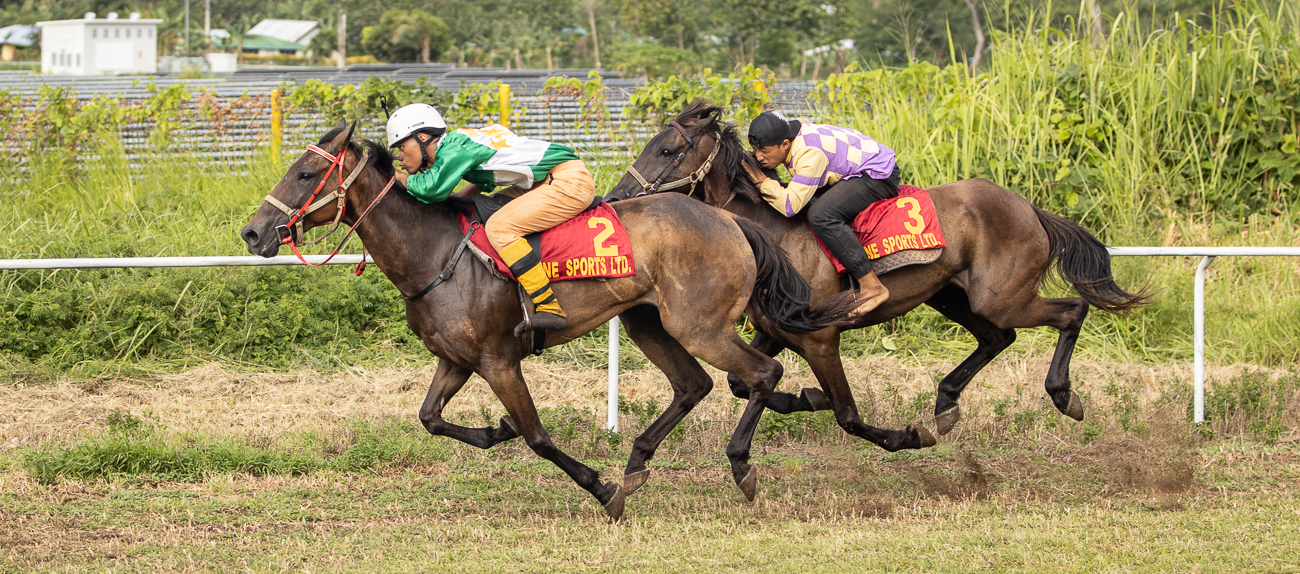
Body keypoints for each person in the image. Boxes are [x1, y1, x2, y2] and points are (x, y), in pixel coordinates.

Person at [386, 103, 595, 333]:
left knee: (498, 227)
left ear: (423, 137)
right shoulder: (458, 143)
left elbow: (430, 188)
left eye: (402, 147)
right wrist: (462, 196)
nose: (399, 157)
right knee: (482, 210)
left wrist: (395, 175)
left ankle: (549, 306)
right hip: (541, 180)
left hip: (567, 180)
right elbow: (485, 180)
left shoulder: (455, 149)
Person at [741, 110, 899, 317]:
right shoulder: (793, 136)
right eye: (755, 150)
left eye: (764, 150)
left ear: (785, 144)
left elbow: (790, 206)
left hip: (877, 174)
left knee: (821, 215)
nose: (758, 156)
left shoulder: (808, 154)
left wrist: (761, 182)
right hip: (857, 167)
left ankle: (873, 286)